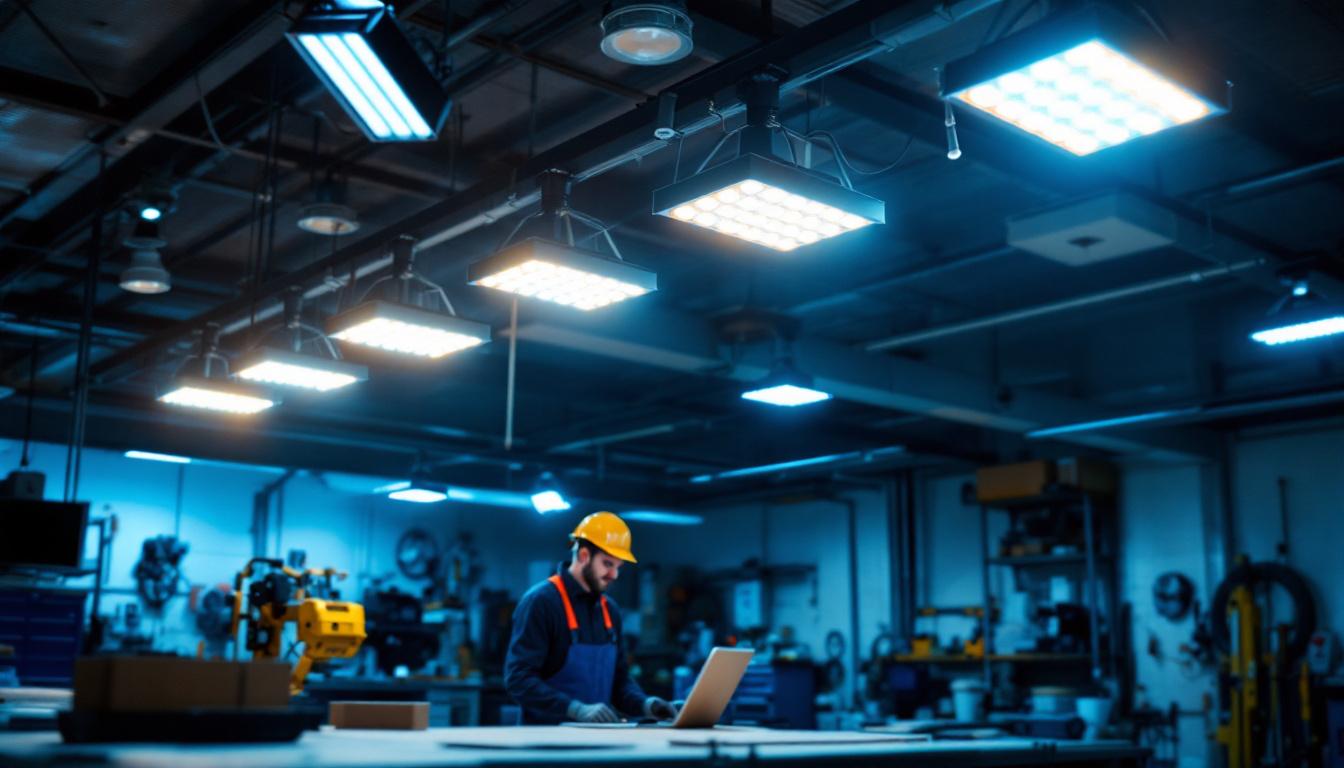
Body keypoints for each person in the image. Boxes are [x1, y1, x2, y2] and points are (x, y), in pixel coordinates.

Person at [505, 511, 678, 724]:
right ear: (584, 556)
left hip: (596, 744)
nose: (614, 575)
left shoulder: (609, 610)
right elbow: (518, 679)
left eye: (618, 567)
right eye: (607, 564)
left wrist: (647, 704)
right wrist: (574, 709)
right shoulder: (541, 602)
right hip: (546, 744)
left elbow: (619, 681)